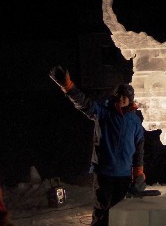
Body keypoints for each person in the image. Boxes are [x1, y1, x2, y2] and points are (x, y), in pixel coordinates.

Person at [49, 65, 146, 226]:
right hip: (105, 174)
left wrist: (139, 173)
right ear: (116, 96)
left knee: (120, 213)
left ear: (131, 99)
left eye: (126, 96)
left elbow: (139, 149)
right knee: (102, 212)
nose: (122, 99)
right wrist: (68, 87)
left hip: (123, 175)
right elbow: (84, 103)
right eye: (120, 95)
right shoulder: (104, 113)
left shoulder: (135, 122)